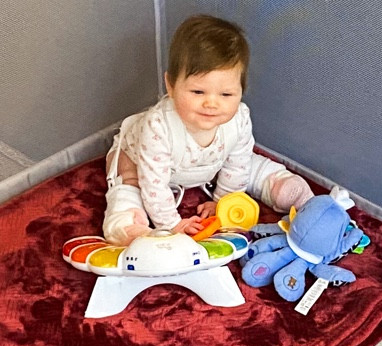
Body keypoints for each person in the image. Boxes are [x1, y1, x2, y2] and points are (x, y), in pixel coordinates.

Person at [103, 14, 314, 245]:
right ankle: (127, 225)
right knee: (132, 183)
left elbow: (237, 161)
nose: (211, 104)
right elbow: (154, 183)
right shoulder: (158, 126)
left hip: (210, 160)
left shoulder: (239, 118)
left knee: (246, 162)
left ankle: (282, 185)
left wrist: (224, 201)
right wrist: (171, 224)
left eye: (226, 94)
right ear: (171, 85)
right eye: (198, 92)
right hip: (142, 160)